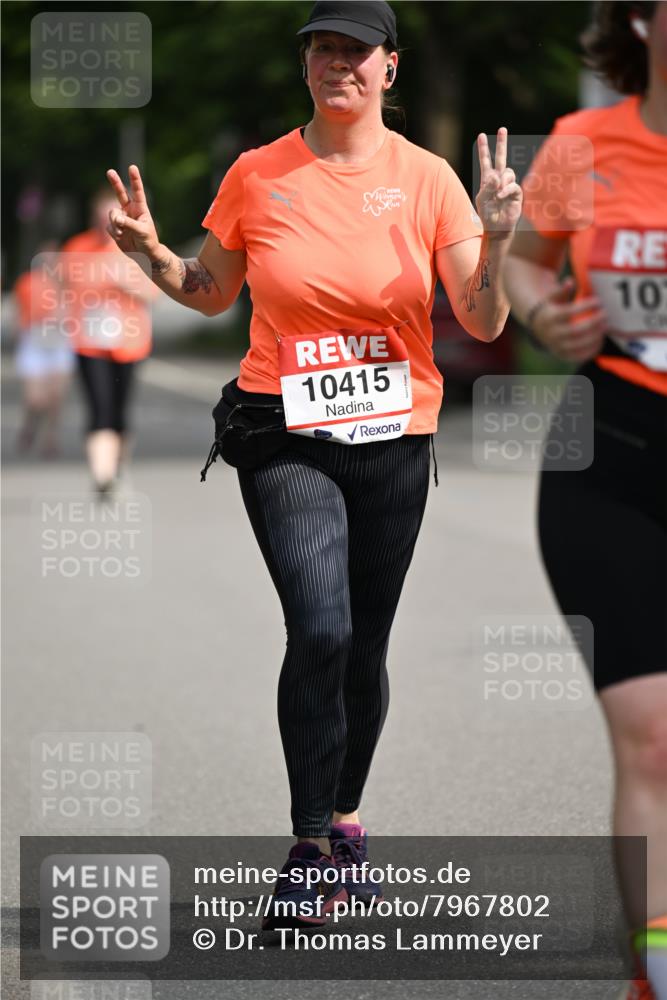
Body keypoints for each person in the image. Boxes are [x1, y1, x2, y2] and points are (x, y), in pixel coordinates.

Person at [104, 0, 522, 931]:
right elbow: (210, 293)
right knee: (321, 626)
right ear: (305, 69)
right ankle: (307, 847)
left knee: (364, 642)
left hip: (394, 436)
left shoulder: (427, 180)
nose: (337, 65)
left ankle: (345, 824)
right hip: (280, 429)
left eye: (355, 52)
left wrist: (496, 237)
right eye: (321, 51)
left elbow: (484, 319)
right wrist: (151, 254)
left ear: (389, 70)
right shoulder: (259, 173)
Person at [501, 2, 667, 997]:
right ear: (644, 24)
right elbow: (523, 262)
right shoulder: (580, 143)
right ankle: (649, 968)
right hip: (609, 455)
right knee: (651, 733)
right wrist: (542, 314)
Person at [60, 187, 157, 498]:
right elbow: (62, 288)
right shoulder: (77, 248)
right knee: (99, 407)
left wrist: (127, 284)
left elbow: (153, 293)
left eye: (113, 216)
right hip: (89, 343)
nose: (109, 222)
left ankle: (117, 465)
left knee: (119, 410)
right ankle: (102, 476)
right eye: (103, 216)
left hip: (130, 342)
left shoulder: (136, 249)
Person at [13, 240, 75, 458]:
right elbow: (18, 313)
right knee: (35, 399)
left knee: (56, 396)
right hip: (35, 341)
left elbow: (78, 311)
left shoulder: (66, 283)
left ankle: (51, 438)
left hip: (60, 341)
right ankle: (30, 425)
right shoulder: (27, 282)